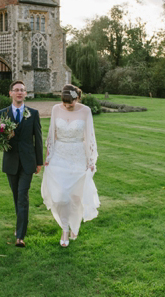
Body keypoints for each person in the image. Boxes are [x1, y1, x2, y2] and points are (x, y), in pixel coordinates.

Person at [41, 84, 100, 247]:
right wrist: (48, 156)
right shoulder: (55, 109)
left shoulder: (86, 111)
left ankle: (74, 226)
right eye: (65, 103)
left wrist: (90, 161)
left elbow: (89, 136)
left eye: (71, 103)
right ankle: (65, 228)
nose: (67, 106)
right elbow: (52, 134)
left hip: (78, 156)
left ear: (77, 98)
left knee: (75, 196)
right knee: (61, 197)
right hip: (59, 155)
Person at [0, 80, 43, 248]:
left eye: (22, 90)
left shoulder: (33, 113)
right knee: (16, 196)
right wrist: (4, 139)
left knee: (23, 196)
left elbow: (37, 138)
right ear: (10, 93)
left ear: (25, 94)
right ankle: (20, 224)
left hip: (27, 162)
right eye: (16, 90)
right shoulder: (2, 114)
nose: (19, 92)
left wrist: (39, 161)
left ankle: (20, 236)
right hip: (10, 162)